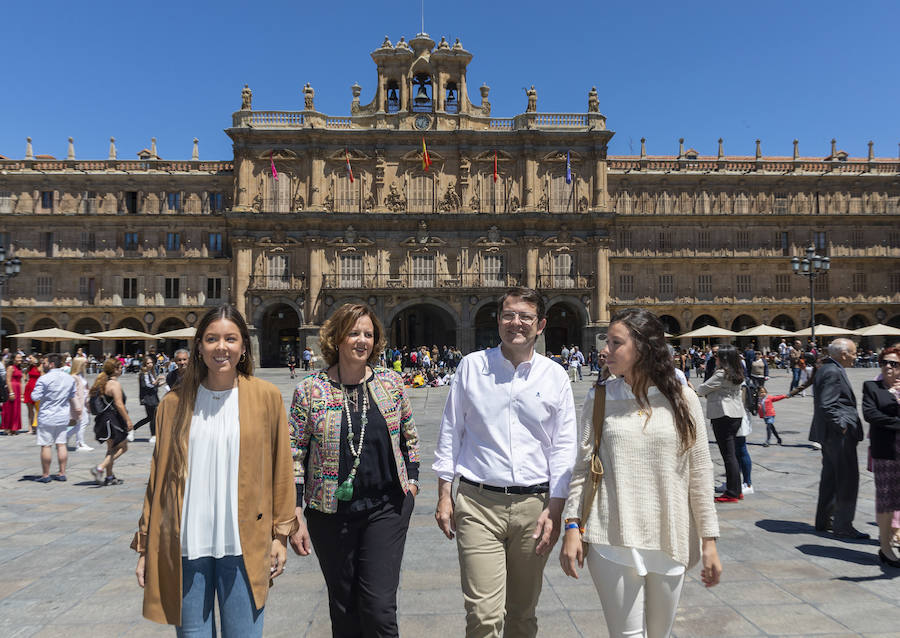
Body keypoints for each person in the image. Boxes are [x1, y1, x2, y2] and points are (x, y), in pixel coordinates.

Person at [132, 304, 297, 635]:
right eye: (212, 339)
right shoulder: (173, 404)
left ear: (243, 346)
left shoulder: (266, 397)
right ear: (199, 347)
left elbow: (282, 470)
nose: (222, 347)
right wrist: (146, 546)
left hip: (244, 545)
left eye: (231, 339)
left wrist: (281, 535)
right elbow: (158, 481)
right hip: (185, 547)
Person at [559, 308, 721, 638]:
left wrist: (709, 541)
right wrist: (572, 525)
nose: (605, 350)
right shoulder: (599, 397)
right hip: (610, 534)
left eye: (616, 343)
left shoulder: (682, 398)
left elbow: (700, 471)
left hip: (669, 532)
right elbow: (582, 468)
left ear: (643, 348)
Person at [433, 287, 576, 637]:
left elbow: (564, 448)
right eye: (509, 315)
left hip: (535, 506)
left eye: (526, 317)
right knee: (483, 615)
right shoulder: (472, 367)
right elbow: (451, 431)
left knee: (523, 615)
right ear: (498, 321)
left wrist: (556, 511)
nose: (517, 323)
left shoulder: (555, 375)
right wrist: (443, 494)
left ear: (540, 324)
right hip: (478, 503)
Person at [288, 303, 420, 637]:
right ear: (336, 338)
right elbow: (294, 453)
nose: (362, 340)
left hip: (386, 507)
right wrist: (295, 512)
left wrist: (413, 484)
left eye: (368, 334)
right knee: (344, 606)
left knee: (378, 608)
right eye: (354, 332)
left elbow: (409, 437)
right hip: (329, 514)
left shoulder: (391, 383)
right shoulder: (309, 390)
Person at [811, 338, 868, 539]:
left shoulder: (827, 368)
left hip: (829, 435)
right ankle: (843, 524)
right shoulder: (833, 372)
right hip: (838, 436)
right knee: (847, 480)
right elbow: (828, 405)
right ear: (843, 354)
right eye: (853, 352)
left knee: (830, 478)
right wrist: (842, 427)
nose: (855, 356)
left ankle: (823, 520)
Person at [862, 346, 900, 567]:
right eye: (884, 362)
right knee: (887, 499)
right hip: (886, 451)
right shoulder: (872, 387)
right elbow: (871, 414)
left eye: (893, 363)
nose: (888, 366)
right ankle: (885, 548)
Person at [696, 345, 745, 503]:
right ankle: (737, 489)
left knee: (728, 455)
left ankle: (732, 492)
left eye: (717, 356)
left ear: (723, 359)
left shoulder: (721, 374)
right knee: (732, 454)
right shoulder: (737, 372)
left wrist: (709, 391)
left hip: (722, 415)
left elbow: (702, 389)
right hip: (736, 414)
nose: (715, 358)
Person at [29, 354, 77, 483]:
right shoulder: (69, 378)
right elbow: (72, 395)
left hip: (47, 415)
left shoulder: (44, 379)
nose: (42, 365)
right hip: (62, 415)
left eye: (44, 362)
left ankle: (46, 475)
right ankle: (62, 473)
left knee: (46, 445)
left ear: (51, 364)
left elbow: (34, 397)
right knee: (61, 444)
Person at [88, 358, 133, 486]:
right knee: (123, 447)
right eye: (119, 367)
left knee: (111, 448)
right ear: (114, 370)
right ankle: (100, 468)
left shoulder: (103, 382)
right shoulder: (114, 384)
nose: (121, 369)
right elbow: (119, 404)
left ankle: (109, 476)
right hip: (113, 420)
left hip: (103, 419)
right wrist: (128, 420)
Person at [134, 355, 163, 444]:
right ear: (144, 364)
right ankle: (153, 435)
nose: (150, 364)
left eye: (151, 363)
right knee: (153, 417)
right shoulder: (144, 374)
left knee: (150, 418)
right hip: (148, 399)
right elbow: (147, 385)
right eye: (148, 363)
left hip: (153, 398)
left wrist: (164, 382)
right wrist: (158, 379)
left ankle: (132, 429)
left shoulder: (150, 372)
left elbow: (154, 385)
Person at [68, 356, 93, 451]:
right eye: (84, 363)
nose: (86, 364)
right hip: (79, 404)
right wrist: (77, 406)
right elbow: (73, 393)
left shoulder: (81, 375)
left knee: (83, 422)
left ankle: (66, 436)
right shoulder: (74, 377)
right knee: (82, 422)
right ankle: (80, 444)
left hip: (85, 402)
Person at [2, 353, 24, 434]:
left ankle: (14, 428)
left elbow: (21, 381)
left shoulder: (19, 368)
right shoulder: (10, 367)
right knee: (9, 408)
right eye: (18, 358)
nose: (20, 359)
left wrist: (22, 394)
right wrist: (11, 392)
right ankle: (7, 427)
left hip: (17, 389)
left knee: (16, 409)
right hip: (11, 388)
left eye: (21, 358)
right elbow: (8, 380)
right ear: (13, 359)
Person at [24, 354, 42, 434]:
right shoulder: (29, 367)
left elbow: (42, 375)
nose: (29, 359)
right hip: (29, 388)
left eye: (30, 358)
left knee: (38, 409)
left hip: (37, 388)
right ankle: (30, 428)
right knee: (30, 410)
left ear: (35, 358)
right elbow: (24, 373)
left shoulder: (40, 366)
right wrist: (25, 379)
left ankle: (37, 427)